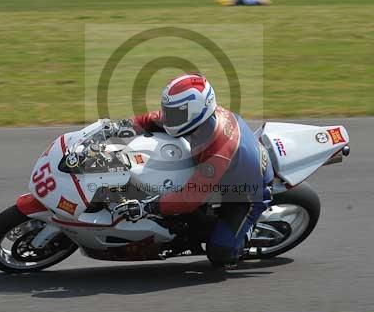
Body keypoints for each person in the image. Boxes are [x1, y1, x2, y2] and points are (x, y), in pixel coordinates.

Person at [107, 73, 273, 268]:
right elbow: (152, 119)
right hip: (224, 170)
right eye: (168, 110)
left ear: (195, 112)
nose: (167, 117)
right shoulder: (198, 121)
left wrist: (146, 207)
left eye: (175, 113)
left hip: (245, 194)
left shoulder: (217, 149)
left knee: (221, 254)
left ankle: (241, 237)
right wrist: (121, 126)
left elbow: (189, 198)